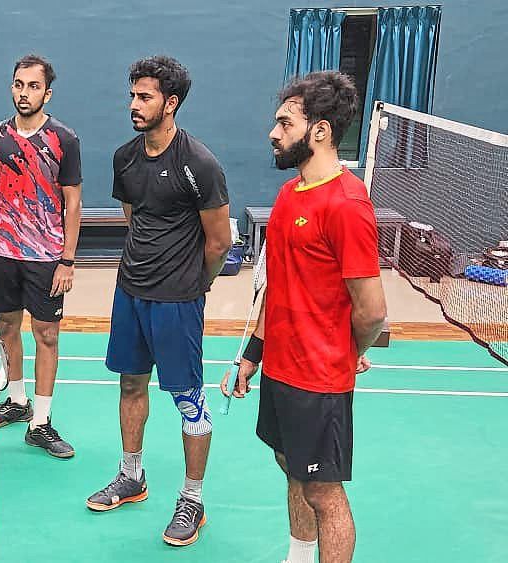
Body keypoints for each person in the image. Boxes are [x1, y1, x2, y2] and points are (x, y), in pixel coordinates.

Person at [221, 70, 387, 563]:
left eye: (284, 122)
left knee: (324, 492)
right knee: (290, 465)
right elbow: (277, 284)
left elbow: (372, 309)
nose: (273, 132)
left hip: (319, 378)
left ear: (319, 130)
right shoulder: (289, 195)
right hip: (280, 368)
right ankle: (297, 555)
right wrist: (255, 351)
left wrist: (347, 351)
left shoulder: (347, 205)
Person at [86, 56, 231, 548]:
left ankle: (193, 498)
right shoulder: (125, 158)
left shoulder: (200, 164)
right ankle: (132, 476)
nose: (134, 104)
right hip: (131, 291)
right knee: (130, 385)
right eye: (133, 95)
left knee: (188, 399)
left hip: (178, 300)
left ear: (171, 103)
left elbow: (219, 242)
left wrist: (197, 284)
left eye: (145, 97)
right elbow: (136, 217)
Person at [0, 54, 82, 458]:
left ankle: (42, 422)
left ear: (46, 93)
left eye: (33, 86)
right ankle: (17, 402)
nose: (24, 93)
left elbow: (73, 203)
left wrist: (67, 260)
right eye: (19, 84)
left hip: (47, 255)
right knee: (8, 328)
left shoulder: (64, 139)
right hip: (4, 252)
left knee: (46, 335)